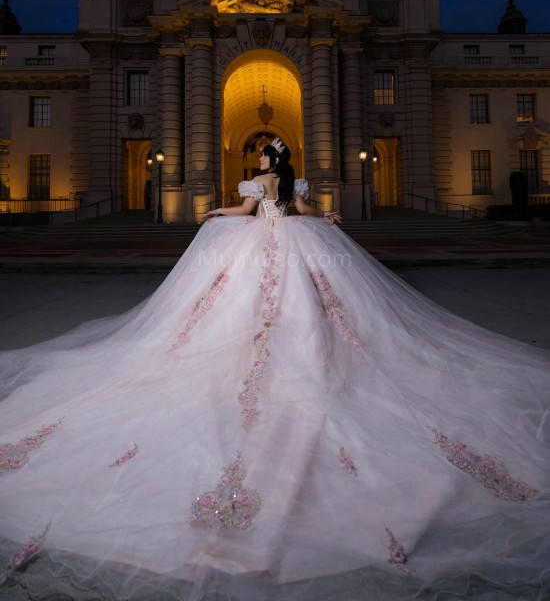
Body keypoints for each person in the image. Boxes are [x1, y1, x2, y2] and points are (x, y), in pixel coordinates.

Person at [0, 138, 549, 601]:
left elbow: (246, 214)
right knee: (311, 304)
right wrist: (326, 215)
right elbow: (304, 214)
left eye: (263, 159)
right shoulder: (296, 186)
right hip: (297, 243)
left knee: (241, 305)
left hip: (263, 245)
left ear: (269, 164)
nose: (260, 165)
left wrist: (218, 212)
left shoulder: (258, 187)